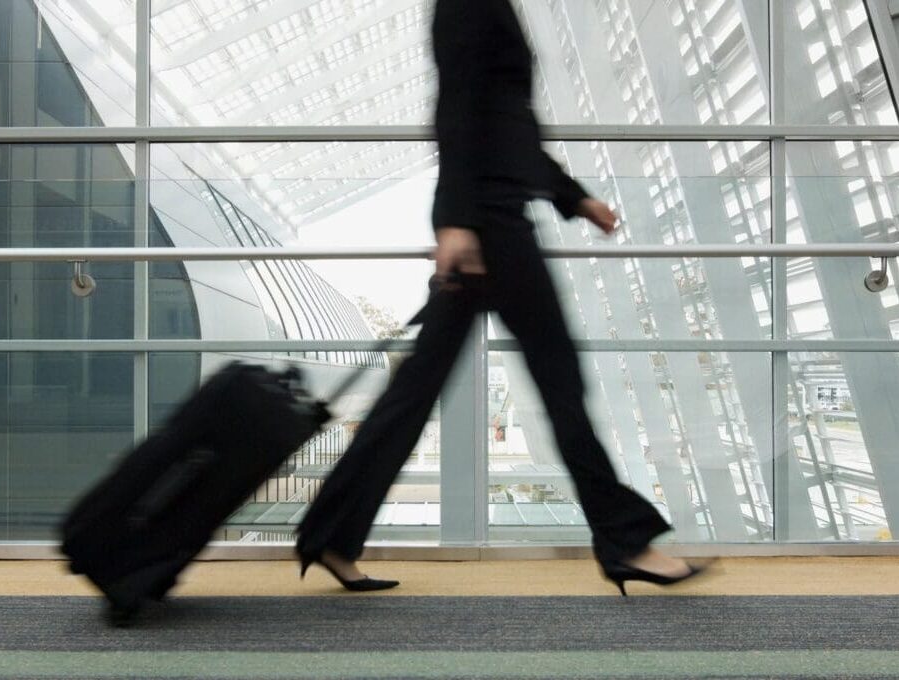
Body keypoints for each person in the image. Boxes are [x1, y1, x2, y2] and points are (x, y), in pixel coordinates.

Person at [296, 0, 706, 595]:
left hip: (491, 219)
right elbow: (457, 109)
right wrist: (457, 222)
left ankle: (332, 534)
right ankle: (625, 541)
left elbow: (504, 119)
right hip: (490, 228)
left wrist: (573, 197)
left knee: (415, 393)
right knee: (560, 385)